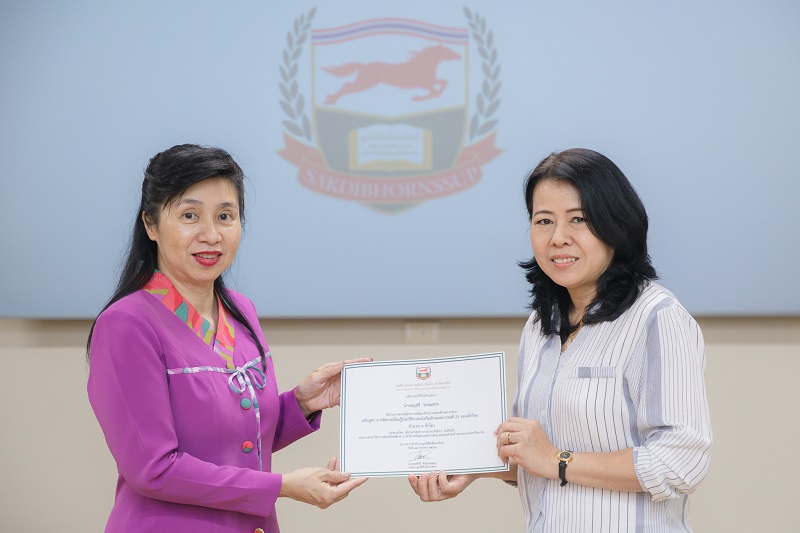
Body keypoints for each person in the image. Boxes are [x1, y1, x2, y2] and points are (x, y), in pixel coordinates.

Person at [408, 148, 712, 531]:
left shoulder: (656, 318)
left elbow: (681, 462)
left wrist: (557, 460)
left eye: (578, 219)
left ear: (617, 225)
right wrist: (474, 467)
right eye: (544, 221)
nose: (558, 238)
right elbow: (535, 456)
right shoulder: (541, 325)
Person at [87, 144, 367, 532]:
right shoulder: (126, 324)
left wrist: (303, 402)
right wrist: (282, 486)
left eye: (225, 216)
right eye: (189, 215)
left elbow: (236, 439)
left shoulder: (240, 310)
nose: (211, 235)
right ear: (151, 224)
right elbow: (154, 469)